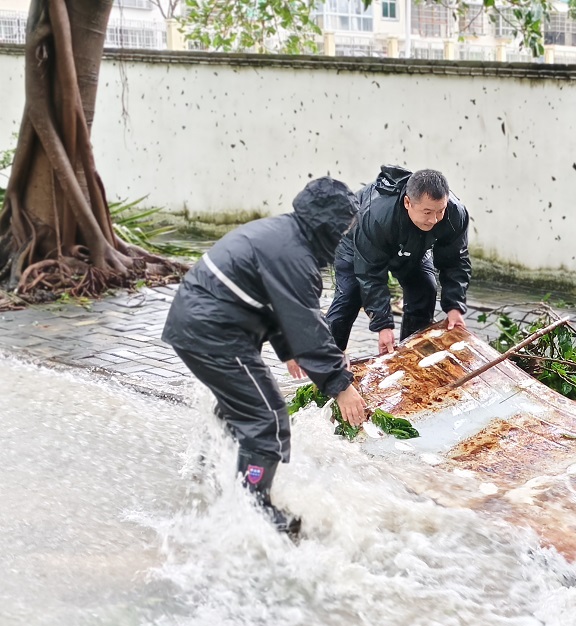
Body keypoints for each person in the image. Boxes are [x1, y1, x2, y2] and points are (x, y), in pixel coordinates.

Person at [162, 177, 367, 534]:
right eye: (344, 227)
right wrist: (340, 385)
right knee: (267, 417)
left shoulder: (283, 234)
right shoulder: (295, 255)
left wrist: (288, 350)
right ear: (327, 224)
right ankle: (253, 509)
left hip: (202, 323)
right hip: (214, 332)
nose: (345, 236)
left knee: (238, 406)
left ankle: (207, 470)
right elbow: (306, 322)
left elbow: (274, 302)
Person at [324, 166, 471, 354]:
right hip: (357, 245)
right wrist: (383, 325)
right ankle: (326, 366)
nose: (434, 220)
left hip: (414, 247)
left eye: (440, 211)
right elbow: (370, 274)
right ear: (408, 202)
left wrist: (454, 306)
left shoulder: (454, 214)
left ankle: (411, 356)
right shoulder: (376, 215)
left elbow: (455, 261)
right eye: (427, 212)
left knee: (425, 288)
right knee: (349, 295)